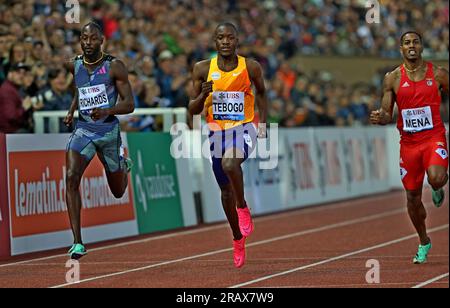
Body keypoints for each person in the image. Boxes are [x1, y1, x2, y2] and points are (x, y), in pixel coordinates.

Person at [189, 22, 268, 268]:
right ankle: (237, 238)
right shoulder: (202, 69)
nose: (225, 42)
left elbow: (263, 94)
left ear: (237, 41)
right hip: (216, 132)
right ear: (214, 41)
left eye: (230, 38)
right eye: (220, 38)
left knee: (230, 163)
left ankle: (242, 206)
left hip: (244, 127)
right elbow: (191, 110)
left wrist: (263, 123)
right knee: (224, 191)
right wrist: (202, 95)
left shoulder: (250, 67)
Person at [370, 31, 448, 264]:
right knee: (413, 198)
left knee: (435, 178)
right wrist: (380, 116)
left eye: (415, 42)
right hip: (409, 144)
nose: (411, 45)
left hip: (434, 137)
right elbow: (387, 112)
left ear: (422, 46)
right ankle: (424, 241)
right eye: (406, 43)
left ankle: (438, 184)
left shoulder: (439, 74)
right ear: (401, 49)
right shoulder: (392, 78)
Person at [63, 22, 134, 259]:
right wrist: (72, 110)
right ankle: (77, 242)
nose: (87, 43)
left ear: (101, 40)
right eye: (84, 39)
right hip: (83, 130)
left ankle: (124, 166)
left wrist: (107, 111)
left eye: (93, 39)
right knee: (71, 176)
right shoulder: (75, 65)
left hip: (107, 132)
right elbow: (81, 89)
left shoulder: (114, 66)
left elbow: (130, 104)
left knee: (117, 191)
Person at [0, 62, 31, 133]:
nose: (21, 76)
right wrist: (24, 108)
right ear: (9, 74)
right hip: (9, 134)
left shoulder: (14, 89)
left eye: (24, 73)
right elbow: (11, 116)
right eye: (18, 72)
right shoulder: (7, 90)